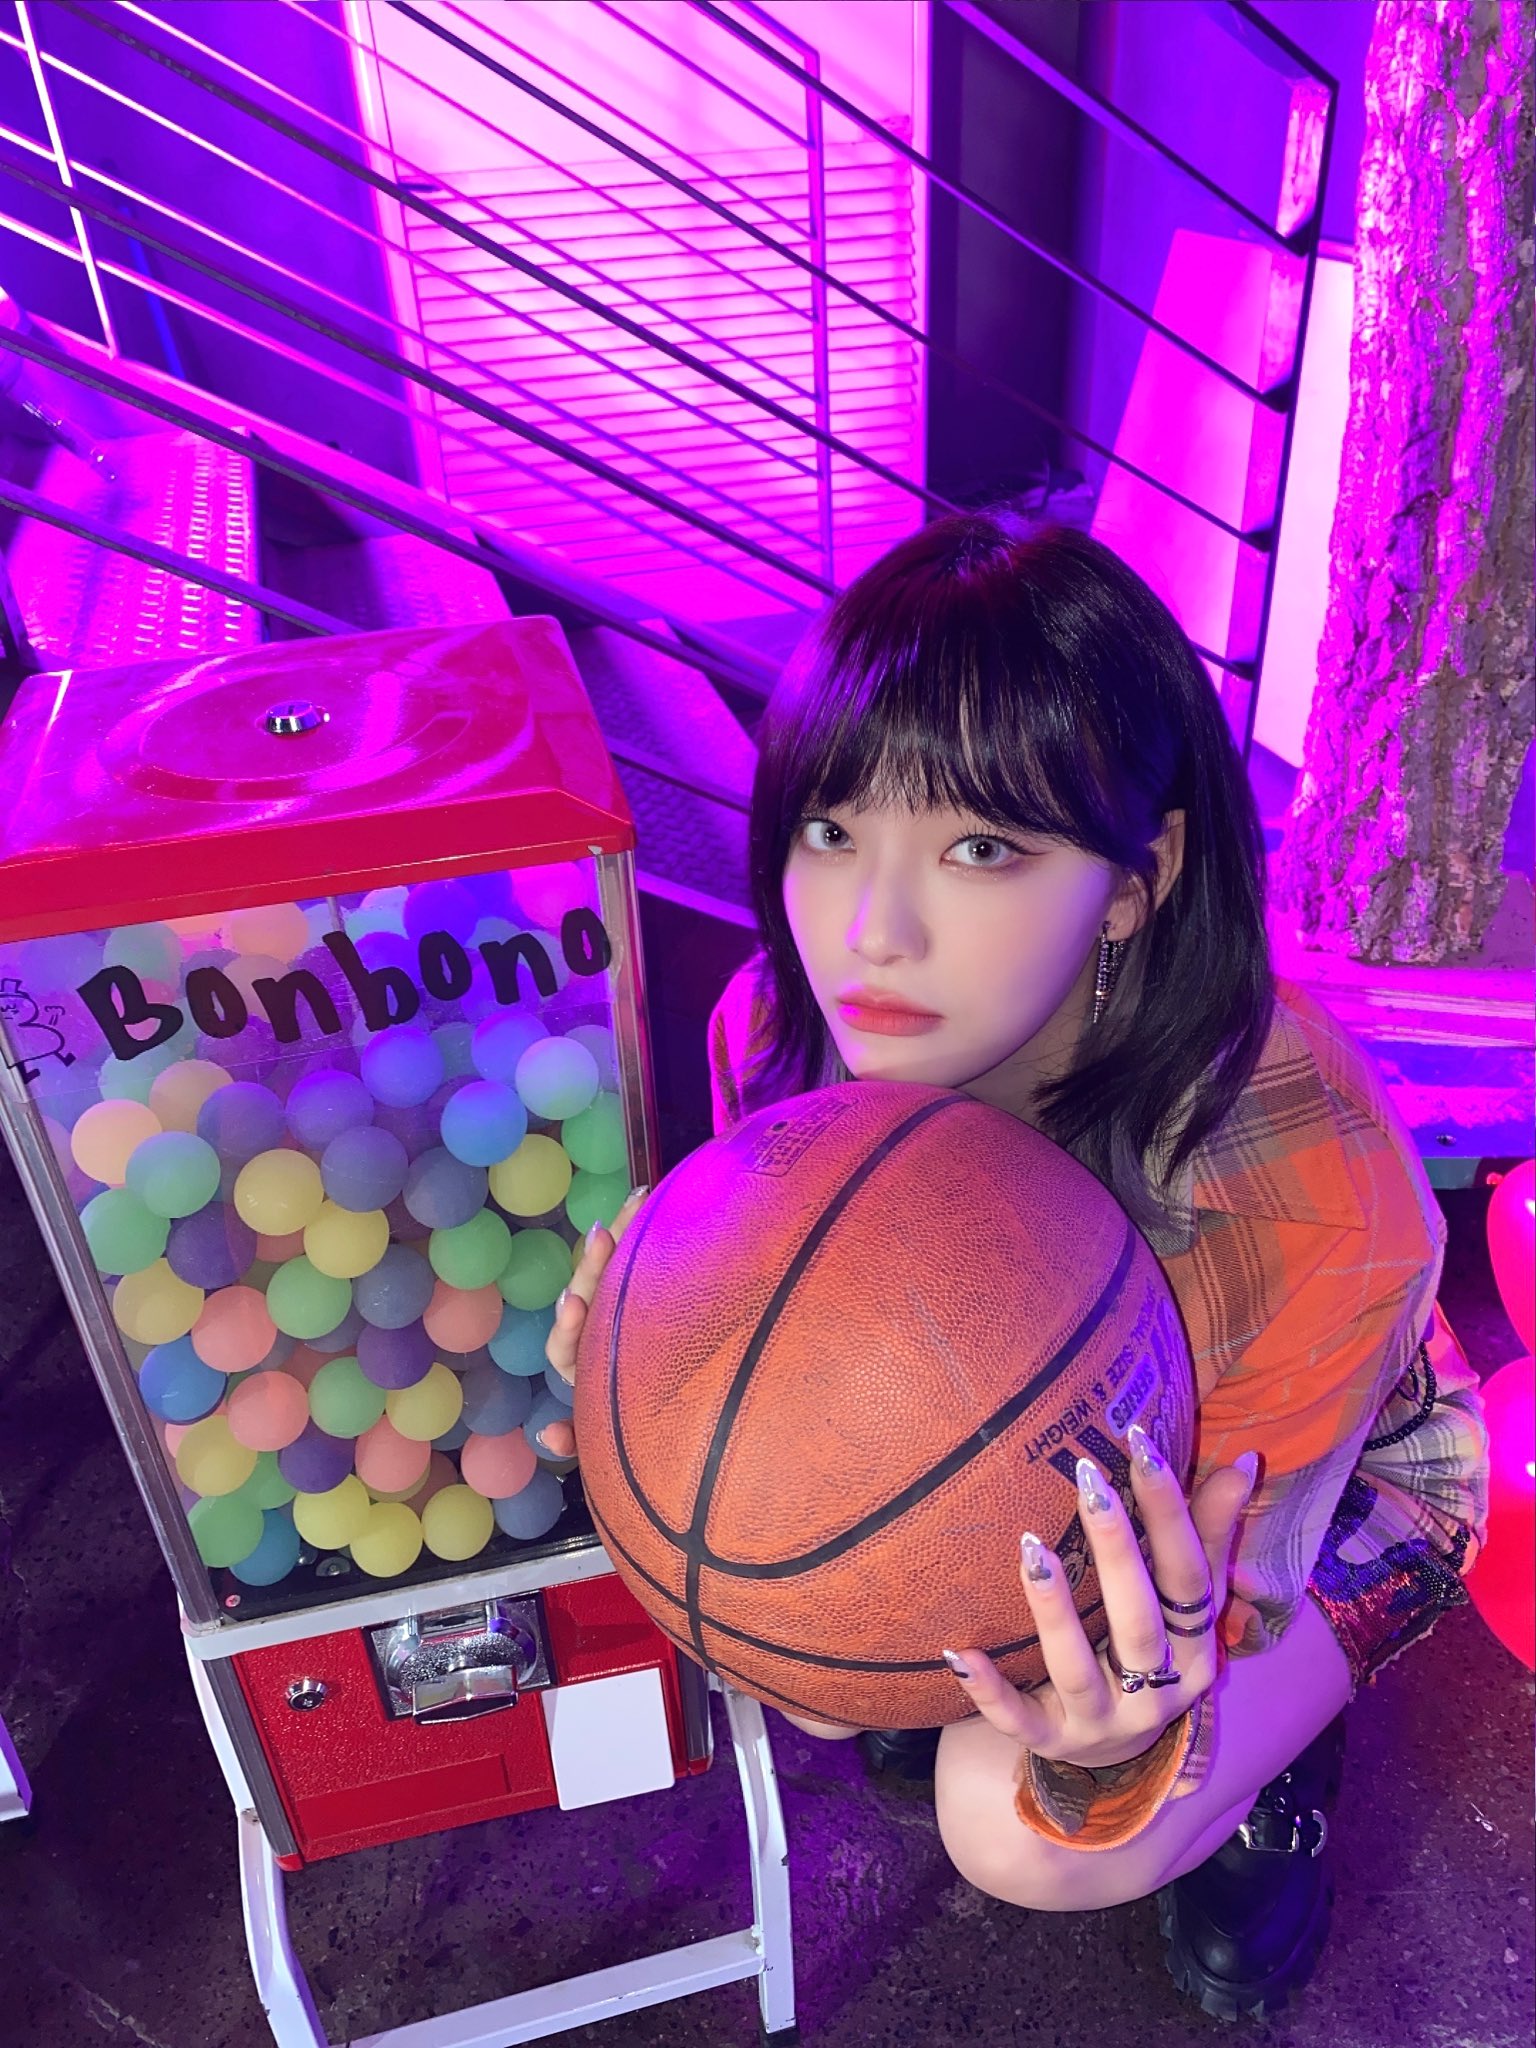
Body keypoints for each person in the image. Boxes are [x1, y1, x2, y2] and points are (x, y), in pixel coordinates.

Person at [546, 514, 1489, 2022]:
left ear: (1134, 879)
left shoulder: (1304, 1186)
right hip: (1052, 1453)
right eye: (831, 830)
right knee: (861, 1650)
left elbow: (1211, 1589)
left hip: (1331, 1463)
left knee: (1015, 1823)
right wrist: (660, 1401)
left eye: (982, 848)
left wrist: (1123, 1745)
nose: (872, 932)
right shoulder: (776, 1037)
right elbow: (816, 1380)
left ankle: (1272, 1779)